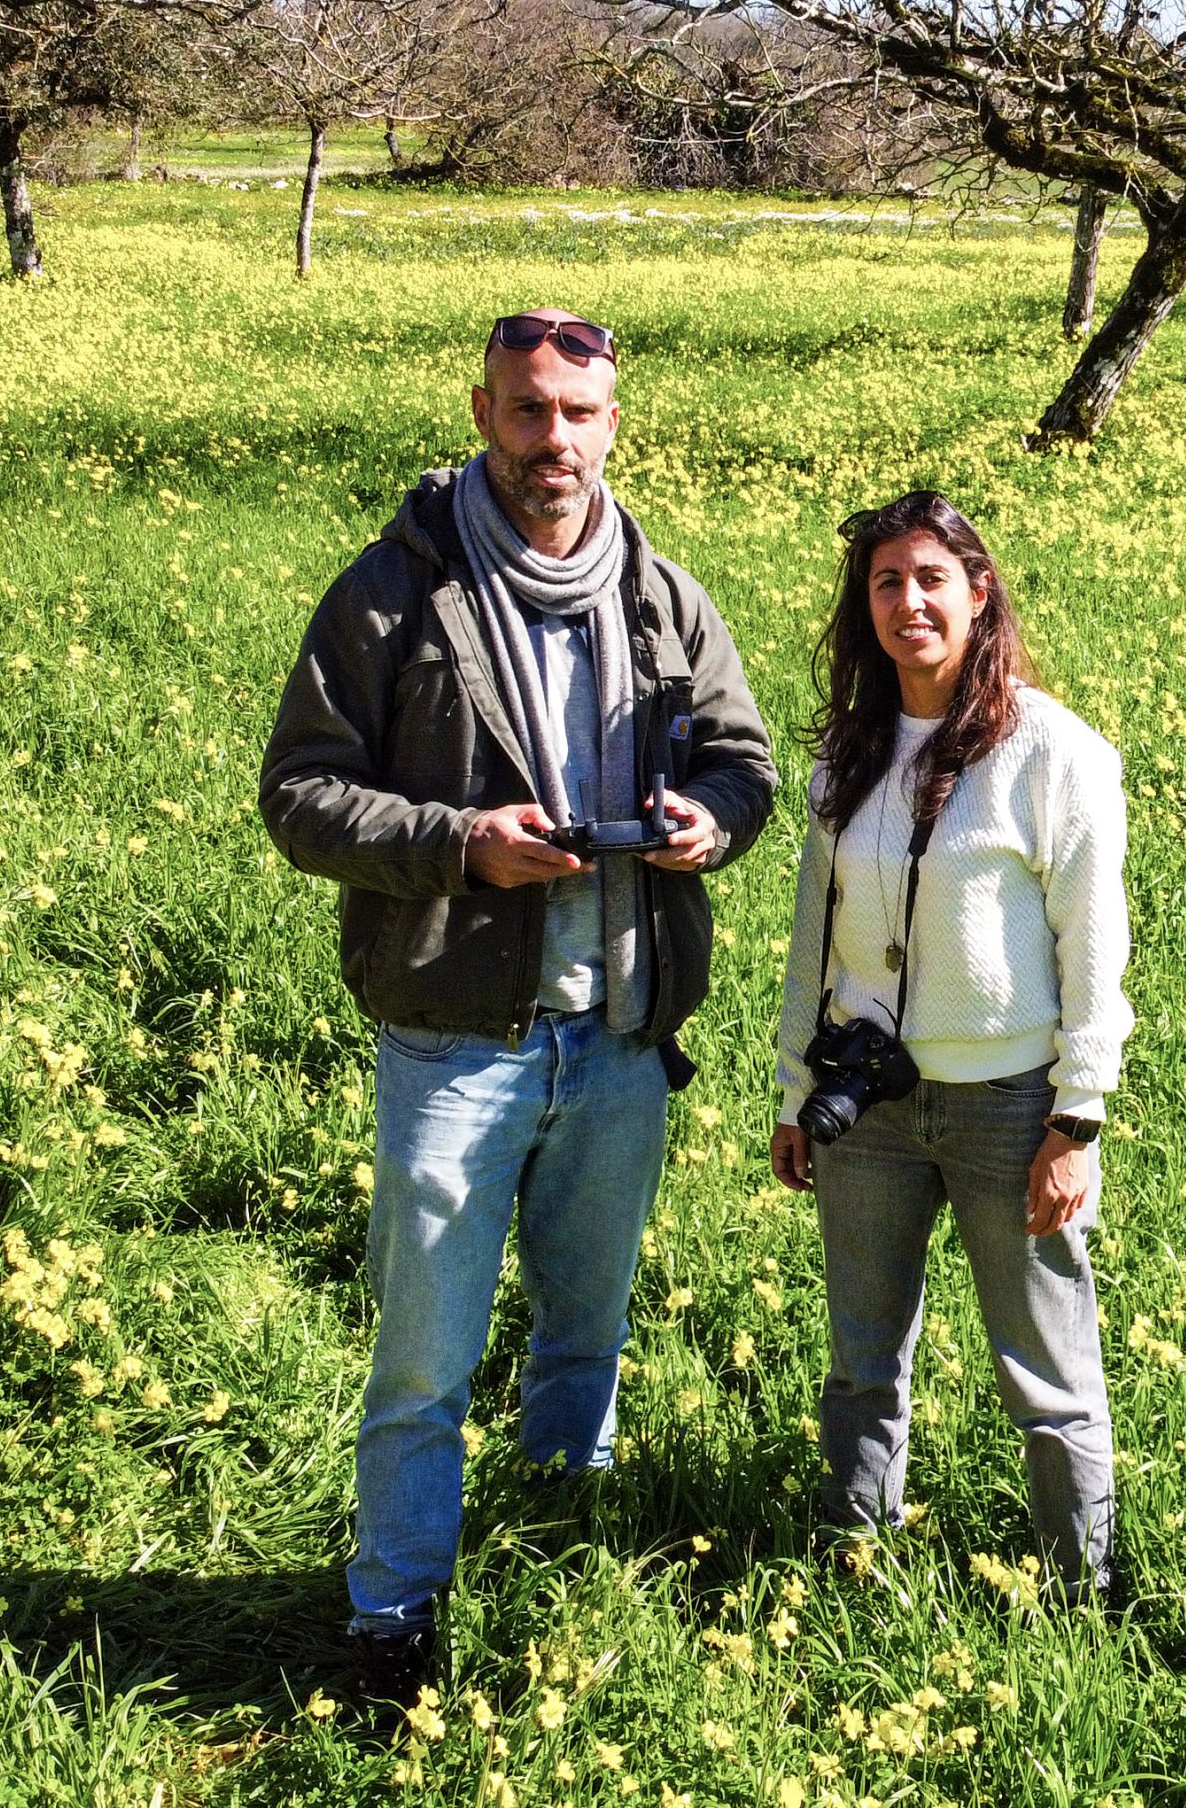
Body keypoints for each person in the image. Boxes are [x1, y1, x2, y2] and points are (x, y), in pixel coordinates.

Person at [260, 309, 776, 1710]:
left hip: (615, 1032)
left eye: (580, 414)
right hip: (455, 1041)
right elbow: (299, 793)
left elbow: (746, 760)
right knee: (426, 1357)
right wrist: (455, 841)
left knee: (584, 1336)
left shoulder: (661, 593)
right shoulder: (394, 592)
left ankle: (554, 1559)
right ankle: (392, 1617)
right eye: (529, 410)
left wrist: (704, 826)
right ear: (485, 412)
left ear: (616, 423)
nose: (556, 440)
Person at [770, 490, 1132, 1602]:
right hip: (863, 1108)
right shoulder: (850, 753)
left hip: (1009, 1109)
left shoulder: (1054, 751)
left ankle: (1087, 1591)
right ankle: (852, 1565)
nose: (908, 602)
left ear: (980, 595)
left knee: (1048, 1374)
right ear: (863, 605)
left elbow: (1092, 945)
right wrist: (793, 1086)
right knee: (860, 1363)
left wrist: (1077, 1117)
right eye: (887, 582)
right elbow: (812, 936)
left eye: (932, 579)